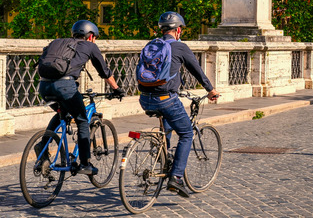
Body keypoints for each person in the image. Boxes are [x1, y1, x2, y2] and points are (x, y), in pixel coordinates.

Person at [138, 12, 220, 197]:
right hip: (165, 98)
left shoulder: (151, 45)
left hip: (145, 98)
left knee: (166, 127)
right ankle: (176, 178)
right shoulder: (180, 47)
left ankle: (162, 158)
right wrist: (210, 90)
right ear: (178, 30)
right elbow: (196, 71)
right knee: (186, 133)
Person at [36, 20, 124, 175]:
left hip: (44, 85)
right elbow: (104, 72)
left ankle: (43, 144)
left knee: (62, 112)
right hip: (65, 87)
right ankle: (85, 164)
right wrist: (117, 89)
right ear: (90, 36)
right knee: (82, 120)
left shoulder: (59, 43)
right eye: (95, 37)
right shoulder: (90, 46)